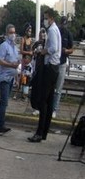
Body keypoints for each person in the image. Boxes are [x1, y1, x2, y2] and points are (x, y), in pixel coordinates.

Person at [29, 9, 61, 142]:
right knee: (49, 101)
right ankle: (43, 133)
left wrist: (43, 51)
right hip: (54, 68)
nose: (45, 20)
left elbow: (53, 49)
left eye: (46, 18)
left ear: (51, 18)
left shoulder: (52, 30)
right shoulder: (55, 29)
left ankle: (40, 132)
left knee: (43, 100)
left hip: (50, 68)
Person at [0, 24, 19, 136]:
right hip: (4, 77)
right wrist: (11, 65)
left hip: (12, 77)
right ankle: (1, 126)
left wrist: (17, 77)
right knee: (4, 102)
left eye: (14, 32)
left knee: (3, 102)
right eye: (11, 32)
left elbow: (17, 63)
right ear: (7, 33)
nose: (13, 34)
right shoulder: (4, 46)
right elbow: (0, 61)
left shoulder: (14, 47)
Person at [53, 15, 74, 118]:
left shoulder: (68, 34)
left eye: (64, 23)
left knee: (58, 89)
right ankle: (49, 107)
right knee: (51, 87)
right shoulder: (56, 32)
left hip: (62, 63)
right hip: (53, 63)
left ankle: (54, 109)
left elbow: (72, 49)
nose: (63, 25)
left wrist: (66, 51)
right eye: (62, 23)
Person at [17, 24, 33, 100]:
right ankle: (18, 92)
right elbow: (21, 51)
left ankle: (25, 93)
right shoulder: (23, 39)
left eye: (31, 31)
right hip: (24, 60)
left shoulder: (30, 40)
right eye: (29, 31)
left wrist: (31, 53)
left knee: (27, 77)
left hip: (29, 61)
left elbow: (31, 49)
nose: (30, 32)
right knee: (21, 77)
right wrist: (28, 53)